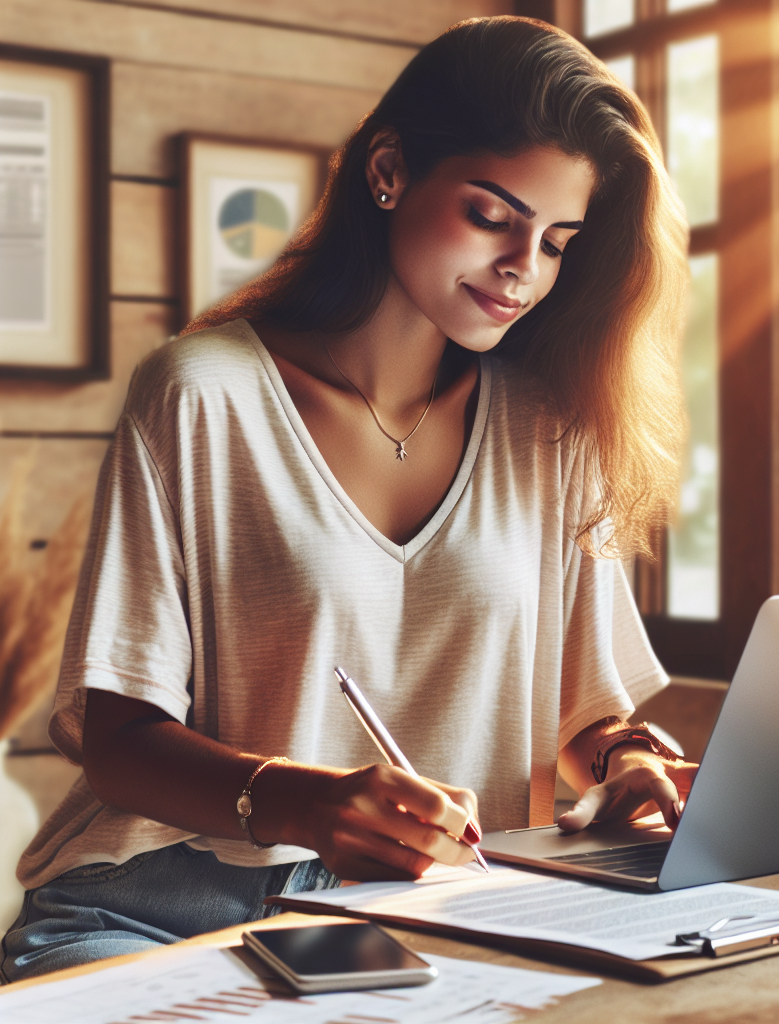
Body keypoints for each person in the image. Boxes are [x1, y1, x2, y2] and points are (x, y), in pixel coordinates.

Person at [1, 16, 696, 983]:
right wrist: (303, 802)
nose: (522, 268)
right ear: (388, 170)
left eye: (557, 241)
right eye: (493, 216)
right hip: (164, 910)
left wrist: (628, 760)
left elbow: (582, 710)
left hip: (440, 920)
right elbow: (117, 742)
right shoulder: (202, 392)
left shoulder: (553, 429)